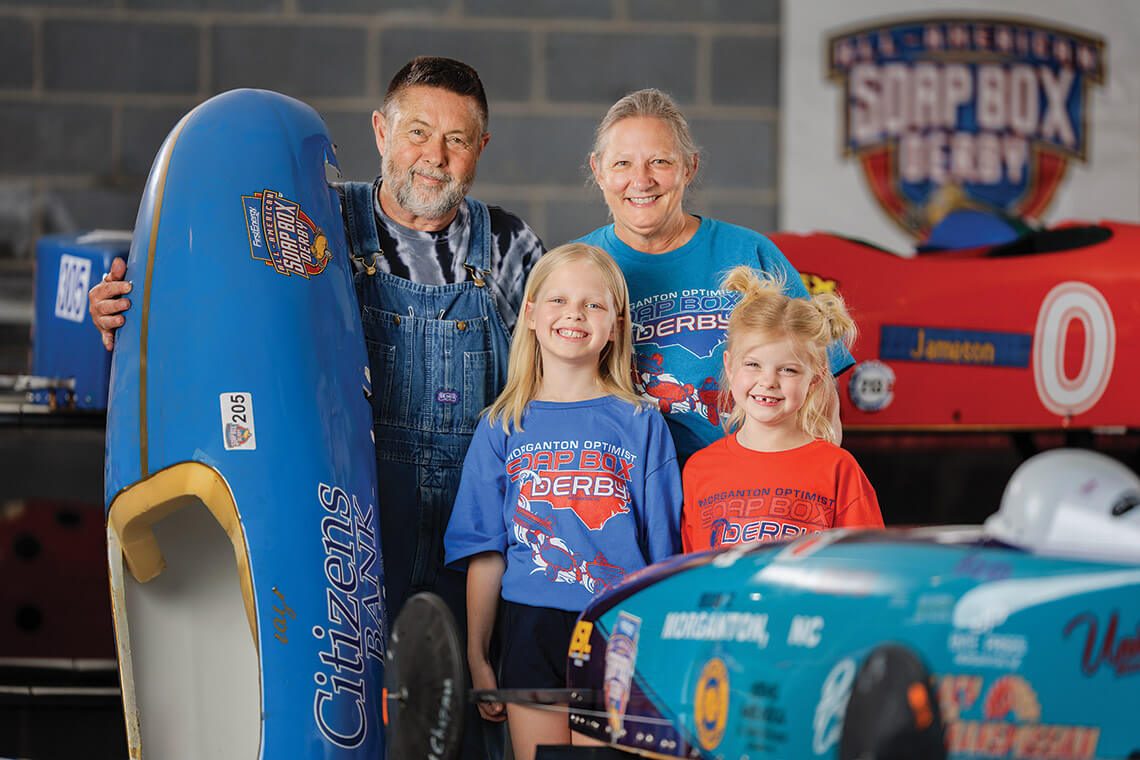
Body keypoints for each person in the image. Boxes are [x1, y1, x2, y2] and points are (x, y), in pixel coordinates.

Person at [88, 56, 545, 760]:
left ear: (481, 147)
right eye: (418, 132)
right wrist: (124, 311)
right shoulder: (313, 216)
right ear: (381, 131)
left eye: (457, 140)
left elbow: (549, 382)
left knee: (472, 722)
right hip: (352, 518)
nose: (435, 157)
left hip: (475, 526)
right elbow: (223, 304)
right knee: (353, 723)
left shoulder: (511, 246)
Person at [443, 243, 682, 760]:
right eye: (558, 300)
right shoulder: (501, 425)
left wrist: (662, 649)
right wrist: (478, 654)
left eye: (593, 305)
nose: (574, 314)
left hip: (615, 627)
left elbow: (665, 555)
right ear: (530, 314)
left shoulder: (641, 423)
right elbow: (486, 551)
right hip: (528, 626)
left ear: (616, 325)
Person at [576, 88, 854, 465]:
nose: (641, 181)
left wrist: (807, 480)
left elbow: (821, 386)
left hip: (745, 488)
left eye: (659, 161)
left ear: (689, 167)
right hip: (626, 491)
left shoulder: (749, 253)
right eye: (622, 163)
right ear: (598, 170)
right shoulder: (576, 268)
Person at [681, 266, 882, 552]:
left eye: (787, 370)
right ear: (729, 365)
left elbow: (867, 566)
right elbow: (693, 573)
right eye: (753, 364)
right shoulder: (700, 469)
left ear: (815, 378)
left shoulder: (838, 468)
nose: (768, 382)